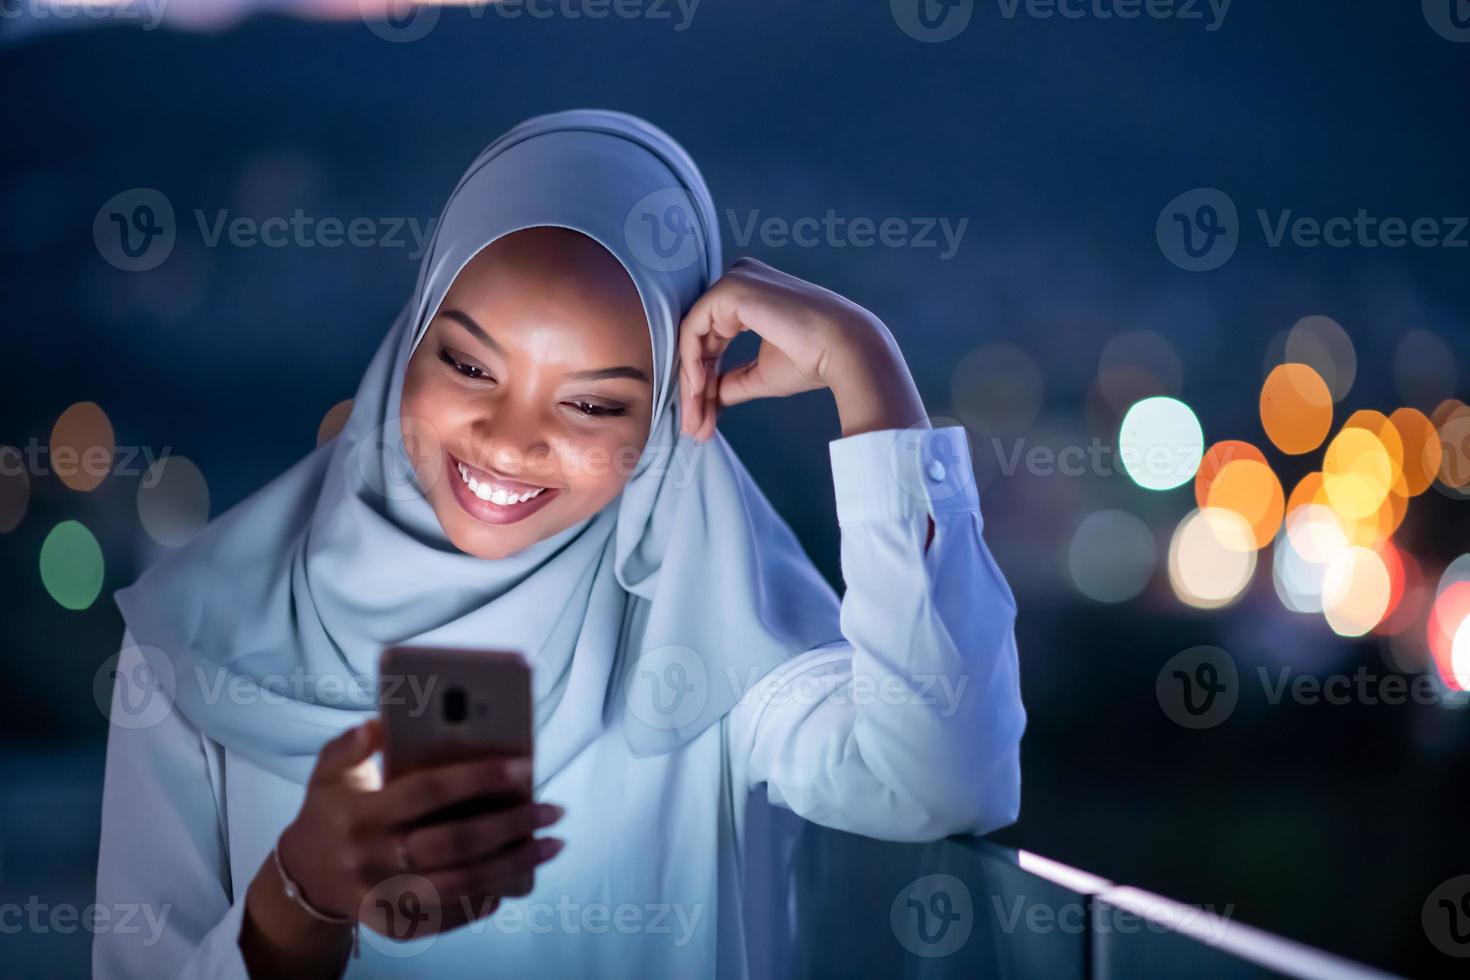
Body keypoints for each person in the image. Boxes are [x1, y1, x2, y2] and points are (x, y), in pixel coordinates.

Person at [93, 109, 1025, 979]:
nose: (507, 439)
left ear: (664, 419)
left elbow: (944, 783)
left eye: (592, 403)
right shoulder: (193, 638)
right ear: (406, 342)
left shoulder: (705, 630)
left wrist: (864, 367)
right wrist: (300, 895)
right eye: (466, 363)